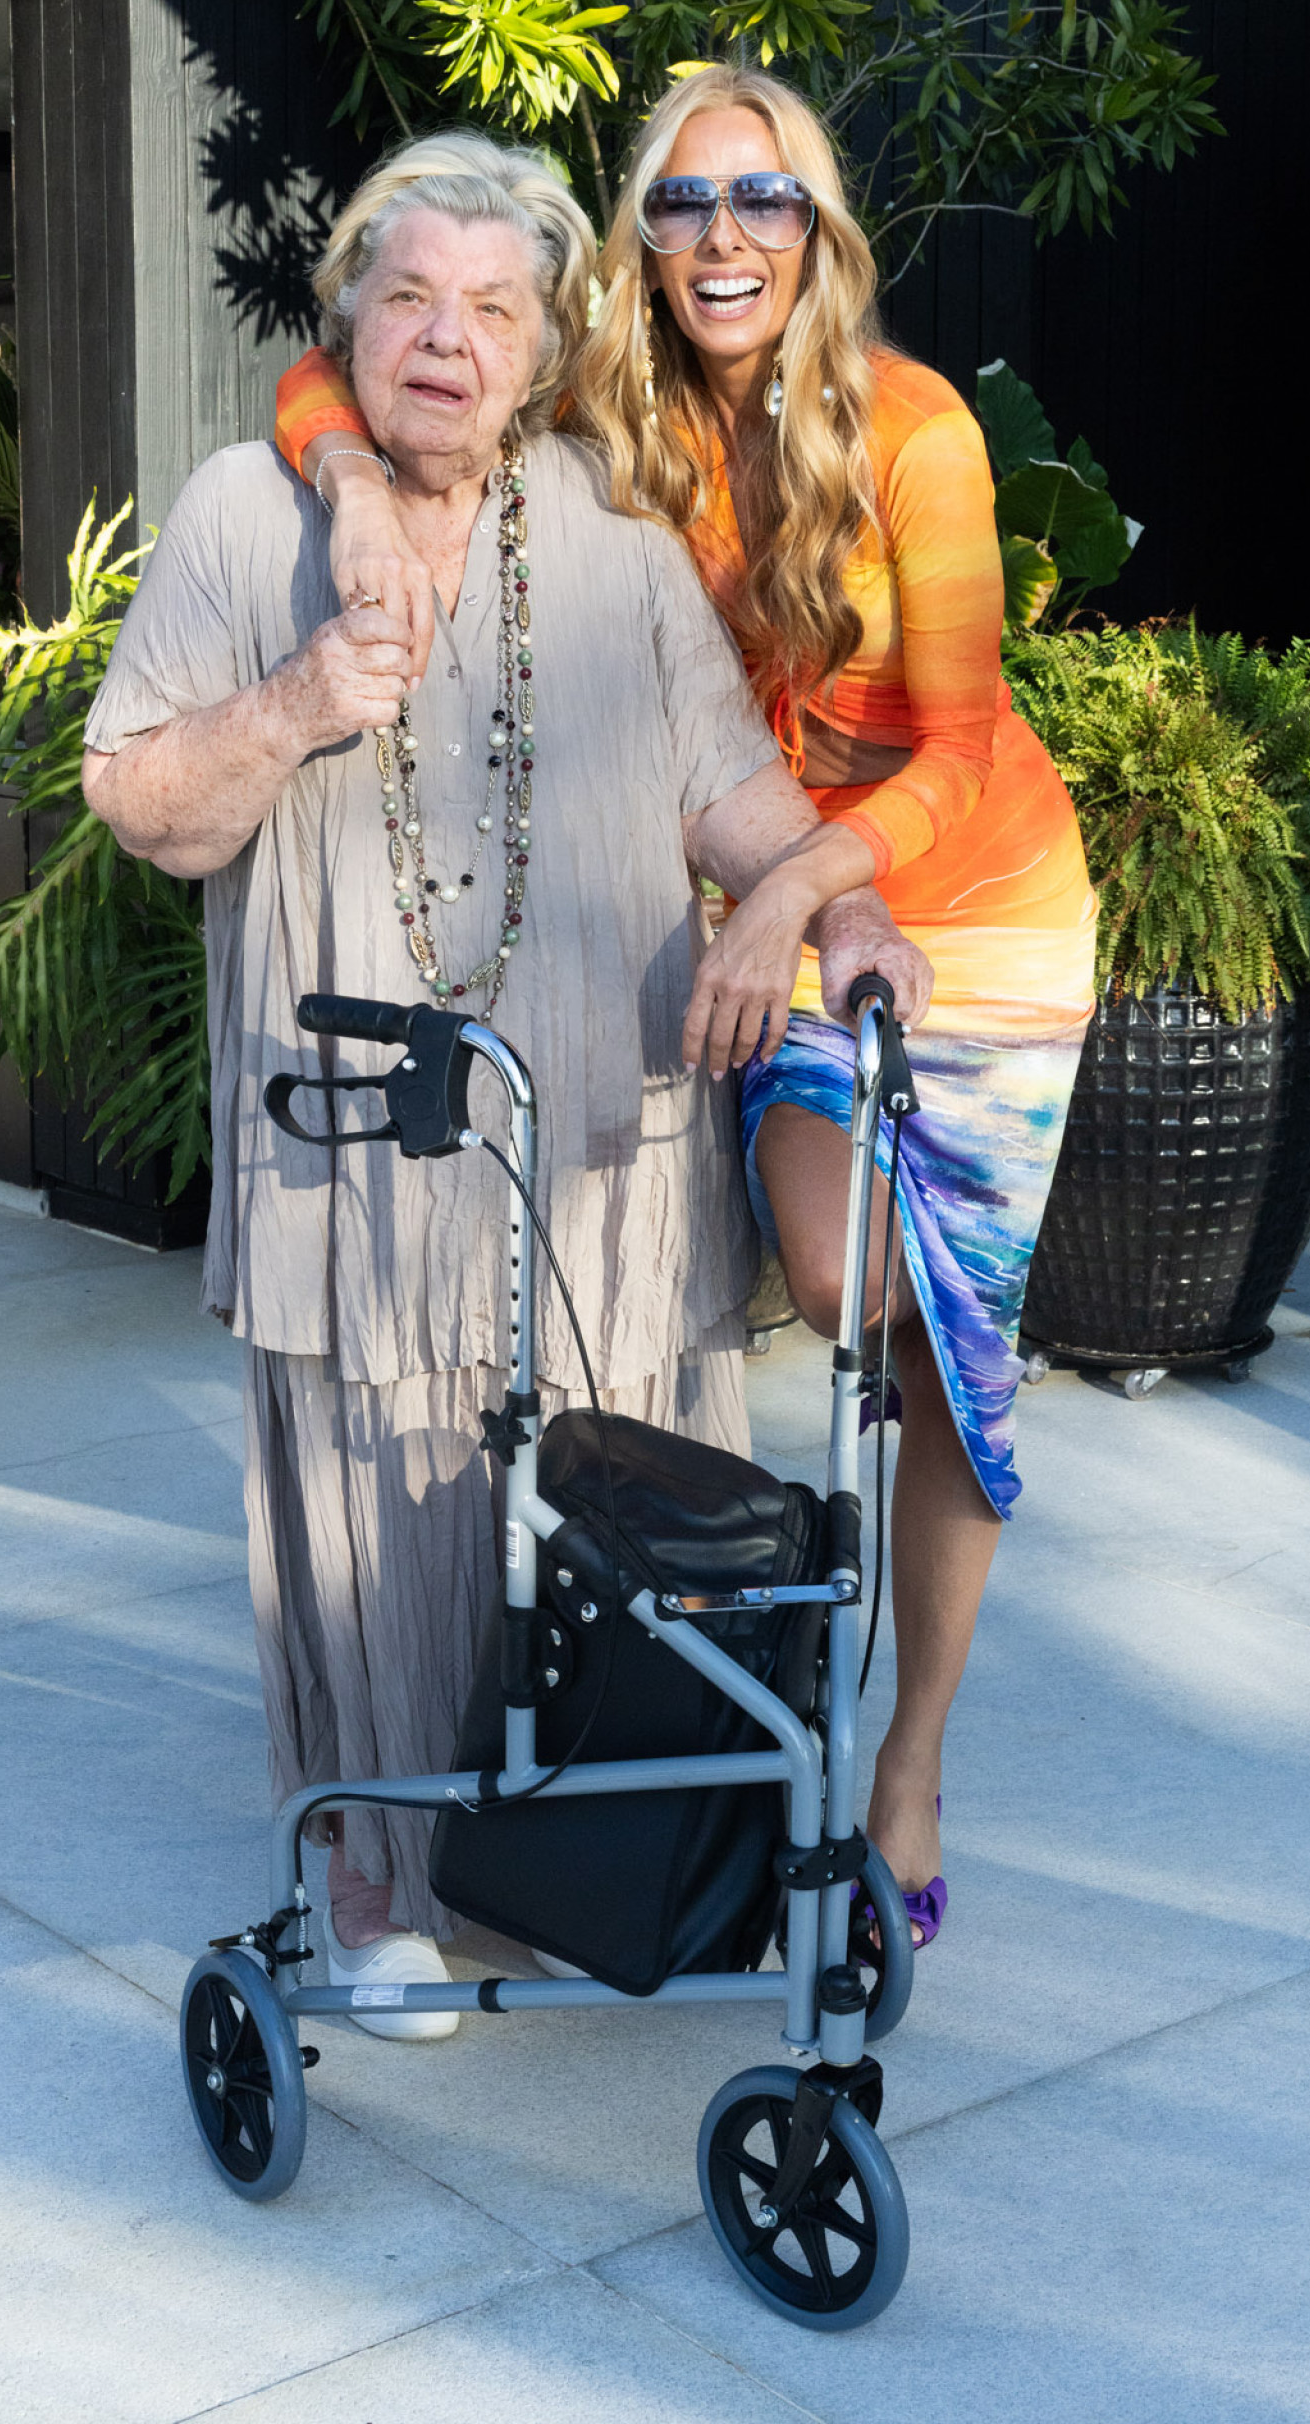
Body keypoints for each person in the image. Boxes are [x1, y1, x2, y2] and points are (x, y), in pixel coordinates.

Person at [84, 130, 923, 2038]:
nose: (445, 341)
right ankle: (377, 1878)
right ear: (348, 323)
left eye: (489, 308)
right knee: (379, 1526)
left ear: (545, 348)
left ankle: (590, 1859)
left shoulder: (613, 534)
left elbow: (732, 787)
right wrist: (298, 702)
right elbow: (141, 803)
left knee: (607, 1503)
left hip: (602, 1155)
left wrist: (829, 898)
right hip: (359, 1156)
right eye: (407, 300)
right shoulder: (245, 515)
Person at [280, 69, 1096, 1948]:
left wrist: (790, 894)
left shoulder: (915, 428)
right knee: (834, 1279)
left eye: (764, 198)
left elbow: (966, 743)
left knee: (950, 1374)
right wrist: (352, 492)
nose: (724, 235)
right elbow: (335, 368)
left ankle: (907, 1769)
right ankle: (734, 1675)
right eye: (683, 201)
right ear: (641, 240)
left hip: (976, 922)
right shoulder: (613, 418)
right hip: (785, 916)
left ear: (816, 232)